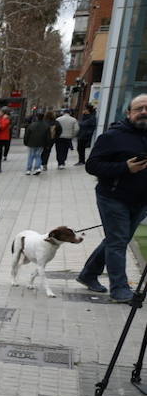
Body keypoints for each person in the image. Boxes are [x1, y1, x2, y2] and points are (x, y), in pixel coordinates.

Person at [75, 94, 147, 302]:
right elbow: (92, 165)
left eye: (146, 108)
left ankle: (88, 274)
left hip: (141, 200)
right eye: (138, 108)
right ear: (129, 113)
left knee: (117, 239)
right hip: (113, 197)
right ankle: (120, 289)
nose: (143, 112)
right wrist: (125, 168)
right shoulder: (112, 136)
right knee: (117, 242)